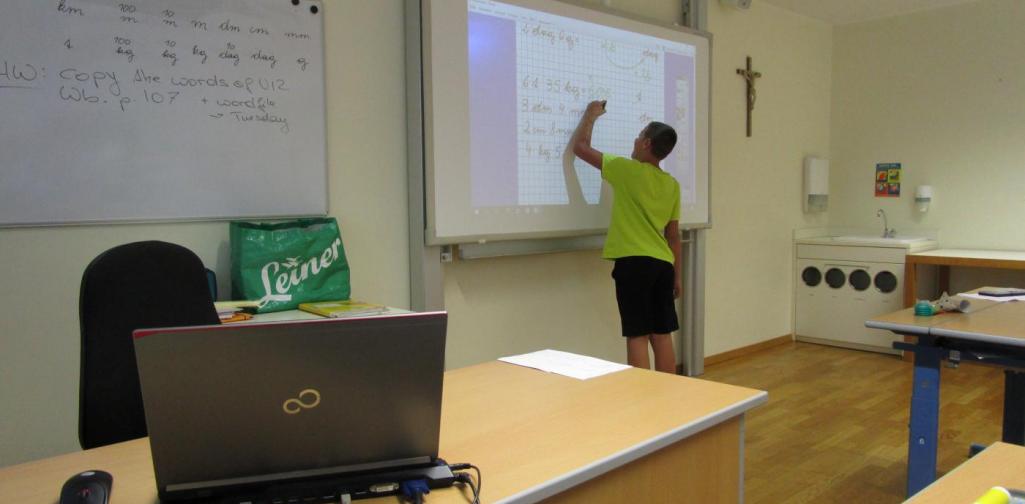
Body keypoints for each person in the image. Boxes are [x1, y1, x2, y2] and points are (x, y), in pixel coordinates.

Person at [570, 100, 682, 374]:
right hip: (663, 266)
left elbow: (580, 149)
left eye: (640, 134)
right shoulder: (672, 184)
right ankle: (673, 397)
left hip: (634, 265)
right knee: (662, 333)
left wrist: (590, 116)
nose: (635, 138)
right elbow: (674, 236)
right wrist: (677, 276)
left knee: (638, 334)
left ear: (646, 144)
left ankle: (641, 398)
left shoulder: (626, 169)